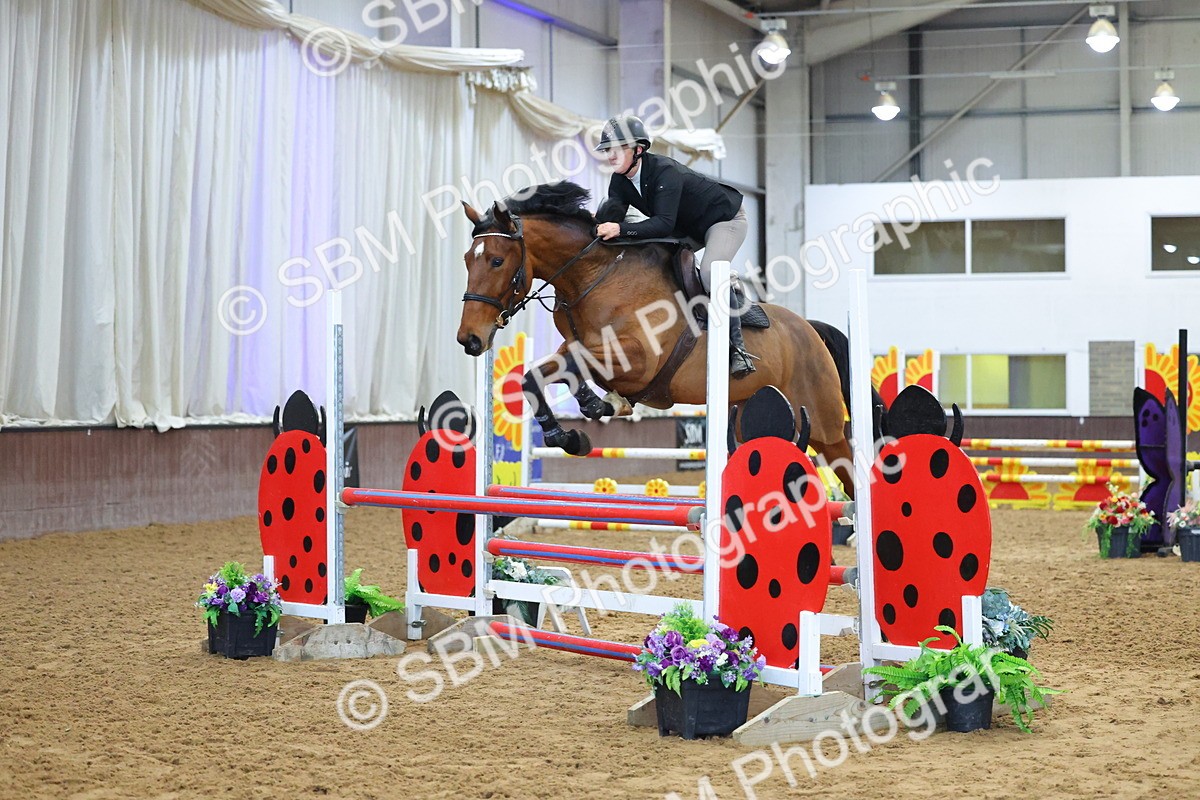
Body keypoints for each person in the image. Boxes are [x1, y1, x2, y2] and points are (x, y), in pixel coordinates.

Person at [593, 115, 756, 378]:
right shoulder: (619, 181)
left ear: (638, 150)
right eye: (607, 150)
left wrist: (620, 229)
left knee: (710, 273)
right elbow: (613, 220)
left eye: (617, 149)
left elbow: (663, 224)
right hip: (686, 226)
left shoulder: (664, 172)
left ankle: (738, 350)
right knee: (653, 261)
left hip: (724, 220)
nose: (610, 155)